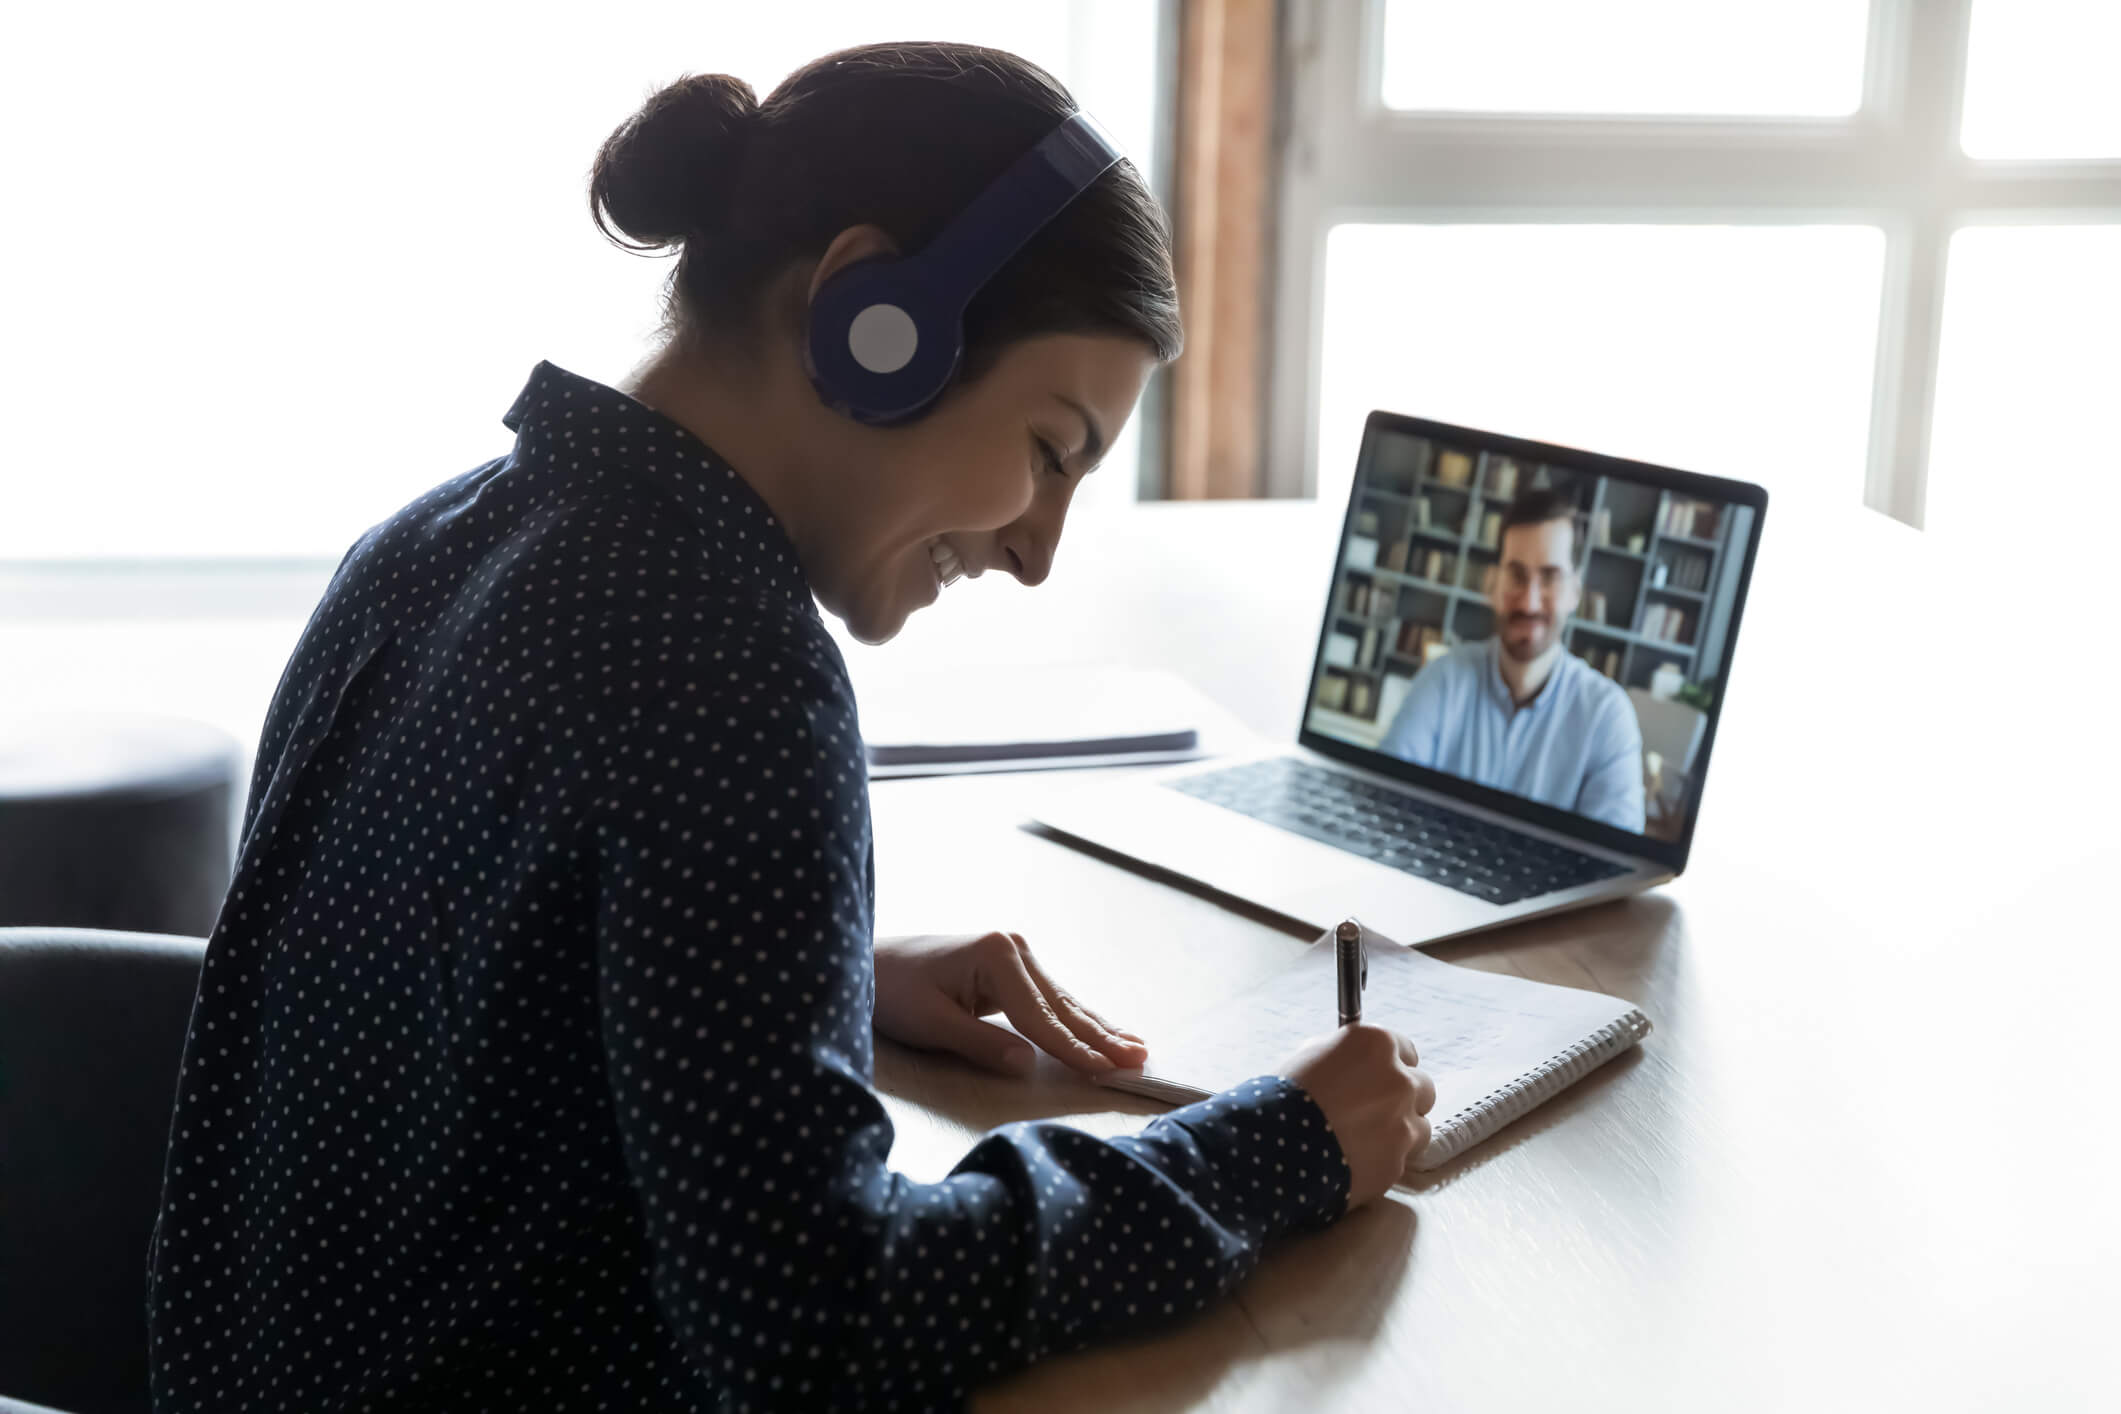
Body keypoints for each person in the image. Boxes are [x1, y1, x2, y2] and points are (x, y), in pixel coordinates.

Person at [146, 43, 1435, 1414]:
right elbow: (821, 1322)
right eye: (1052, 448)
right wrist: (1269, 1150)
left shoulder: (428, 545)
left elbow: (429, 983)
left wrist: (774, 987)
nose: (1041, 550)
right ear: (871, 315)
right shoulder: (723, 662)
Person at [1377, 488, 1646, 832]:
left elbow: (1613, 867)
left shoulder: (1607, 715)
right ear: (1493, 584)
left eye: (1549, 576)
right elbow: (1382, 802)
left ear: (1575, 593)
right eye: (1517, 575)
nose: (1530, 601)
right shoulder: (1442, 679)